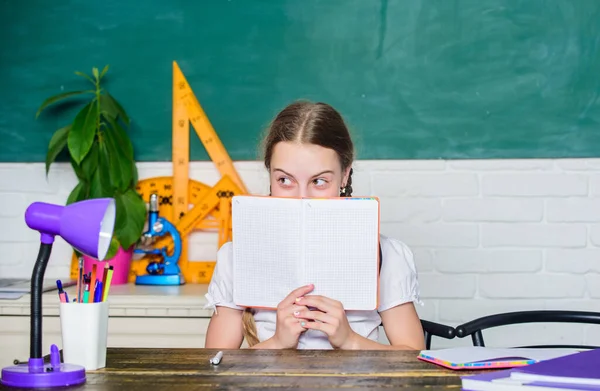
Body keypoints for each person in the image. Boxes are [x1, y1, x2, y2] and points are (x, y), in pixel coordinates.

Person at [204, 101, 425, 350]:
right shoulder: (236, 255)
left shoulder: (385, 253)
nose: (302, 199)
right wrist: (277, 342)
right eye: (285, 180)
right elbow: (216, 364)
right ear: (270, 175)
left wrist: (349, 339)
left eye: (319, 181)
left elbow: (412, 357)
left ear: (344, 175)